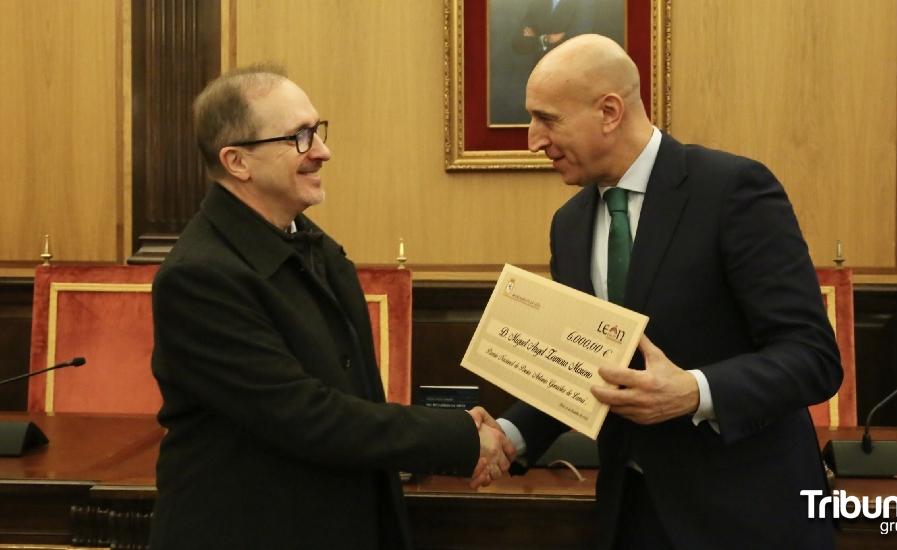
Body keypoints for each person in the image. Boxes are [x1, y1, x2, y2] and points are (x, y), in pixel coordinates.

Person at [495, 35, 843, 549]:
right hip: (631, 515)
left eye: (547, 119)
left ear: (609, 111)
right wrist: (508, 436)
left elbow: (812, 357)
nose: (533, 139)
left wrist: (695, 392)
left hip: (744, 518)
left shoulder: (731, 191)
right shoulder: (569, 225)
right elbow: (583, 365)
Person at [149, 64, 512, 550]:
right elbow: (307, 416)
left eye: (317, 130)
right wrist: (458, 437)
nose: (322, 150)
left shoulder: (315, 247)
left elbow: (355, 400)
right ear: (238, 162)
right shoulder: (199, 277)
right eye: (299, 137)